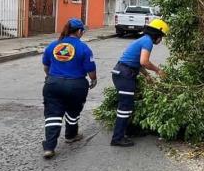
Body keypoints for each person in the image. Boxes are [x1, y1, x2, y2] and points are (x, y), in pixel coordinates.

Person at [41, 18, 97, 159]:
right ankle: (71, 135)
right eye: (82, 31)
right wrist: (93, 79)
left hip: (53, 84)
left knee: (53, 114)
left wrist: (51, 78)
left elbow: (46, 66)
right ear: (78, 31)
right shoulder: (84, 48)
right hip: (76, 85)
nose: (82, 33)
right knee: (73, 111)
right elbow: (90, 70)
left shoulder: (53, 45)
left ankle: (49, 147)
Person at [110, 18, 169, 147]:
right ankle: (117, 138)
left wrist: (147, 76)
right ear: (157, 34)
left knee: (129, 104)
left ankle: (128, 131)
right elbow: (144, 62)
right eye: (162, 37)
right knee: (125, 106)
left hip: (124, 73)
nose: (161, 40)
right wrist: (158, 71)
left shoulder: (144, 39)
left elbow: (137, 62)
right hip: (125, 75)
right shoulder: (148, 42)